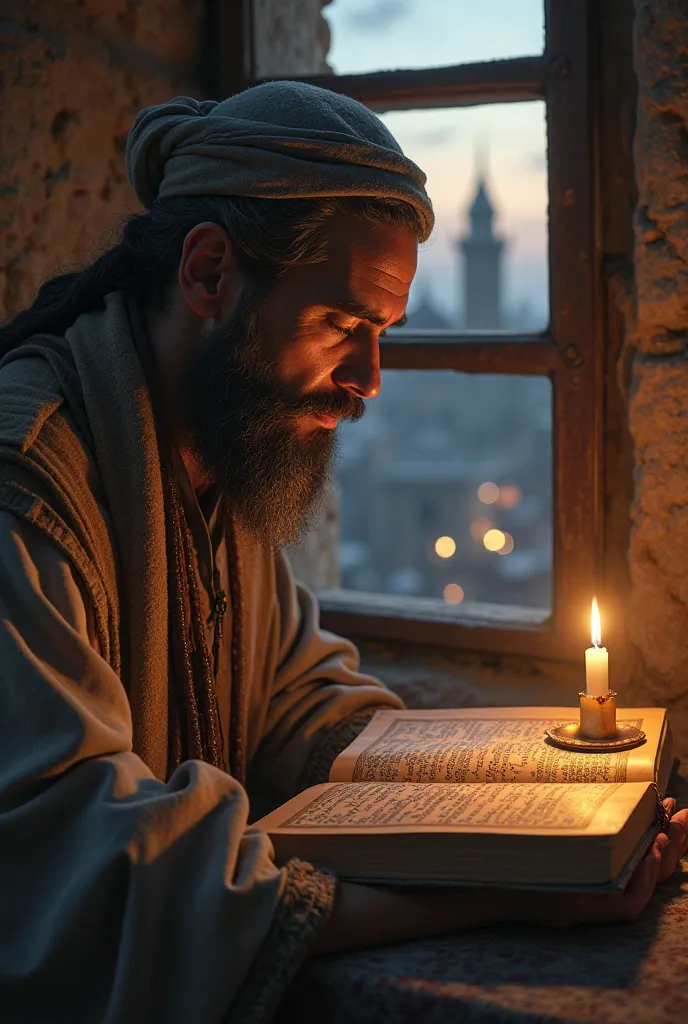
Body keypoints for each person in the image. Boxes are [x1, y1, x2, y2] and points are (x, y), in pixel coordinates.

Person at [0, 81, 685, 1024]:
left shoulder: (210, 448)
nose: (368, 382)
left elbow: (294, 701)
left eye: (386, 336)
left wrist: (518, 794)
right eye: (344, 327)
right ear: (208, 275)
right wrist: (514, 891)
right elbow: (84, 872)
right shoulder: (29, 487)